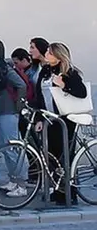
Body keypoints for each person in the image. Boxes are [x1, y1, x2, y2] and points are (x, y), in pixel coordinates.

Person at [37, 42, 87, 205]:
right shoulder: (45, 71)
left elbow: (81, 92)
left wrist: (64, 85)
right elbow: (39, 95)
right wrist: (39, 118)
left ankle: (69, 193)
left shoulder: (69, 72)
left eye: (50, 53)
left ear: (58, 56)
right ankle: (58, 190)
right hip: (49, 118)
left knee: (65, 155)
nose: (46, 55)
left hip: (65, 120)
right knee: (52, 156)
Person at [0, 39, 28, 198]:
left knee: (12, 148)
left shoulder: (5, 68)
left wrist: (18, 106)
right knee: (5, 147)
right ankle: (13, 179)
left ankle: (22, 184)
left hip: (9, 112)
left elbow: (21, 85)